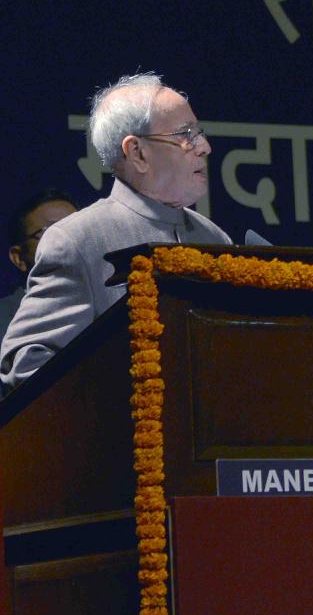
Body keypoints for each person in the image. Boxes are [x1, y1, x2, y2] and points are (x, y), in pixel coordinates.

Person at [0, 72, 232, 391]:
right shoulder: (78, 240)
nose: (204, 147)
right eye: (186, 134)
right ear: (137, 153)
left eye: (199, 133)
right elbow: (27, 364)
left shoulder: (214, 238)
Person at [0, 189, 79, 337]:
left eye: (79, 227)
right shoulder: (5, 323)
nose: (71, 239)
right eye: (53, 232)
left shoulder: (116, 297)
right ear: (19, 258)